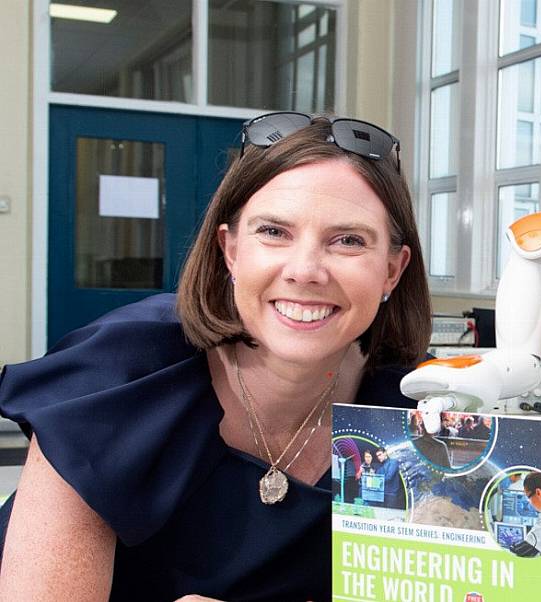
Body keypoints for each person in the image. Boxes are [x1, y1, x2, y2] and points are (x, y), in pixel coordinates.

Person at [0, 113, 431, 600]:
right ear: (230, 251)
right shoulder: (118, 379)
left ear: (392, 270)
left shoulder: (417, 411)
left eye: (348, 240)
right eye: (273, 232)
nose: (306, 270)